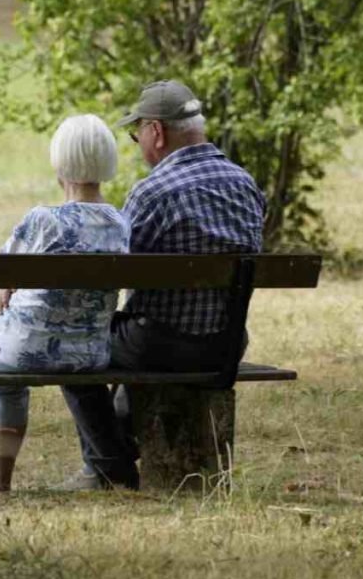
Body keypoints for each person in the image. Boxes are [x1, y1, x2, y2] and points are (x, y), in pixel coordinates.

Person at [60, 80, 267, 490]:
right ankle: (115, 454)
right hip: (225, 344)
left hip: (160, 344)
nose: (139, 144)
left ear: (156, 131)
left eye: (138, 135)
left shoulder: (152, 192)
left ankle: (108, 466)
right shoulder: (246, 185)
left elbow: (112, 271)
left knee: (71, 345)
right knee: (129, 334)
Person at [0, 114, 131, 495]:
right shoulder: (120, 223)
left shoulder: (42, 220)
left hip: (23, 348)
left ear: (59, 162)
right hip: (89, 355)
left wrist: (9, 289)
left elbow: (3, 280)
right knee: (3, 365)